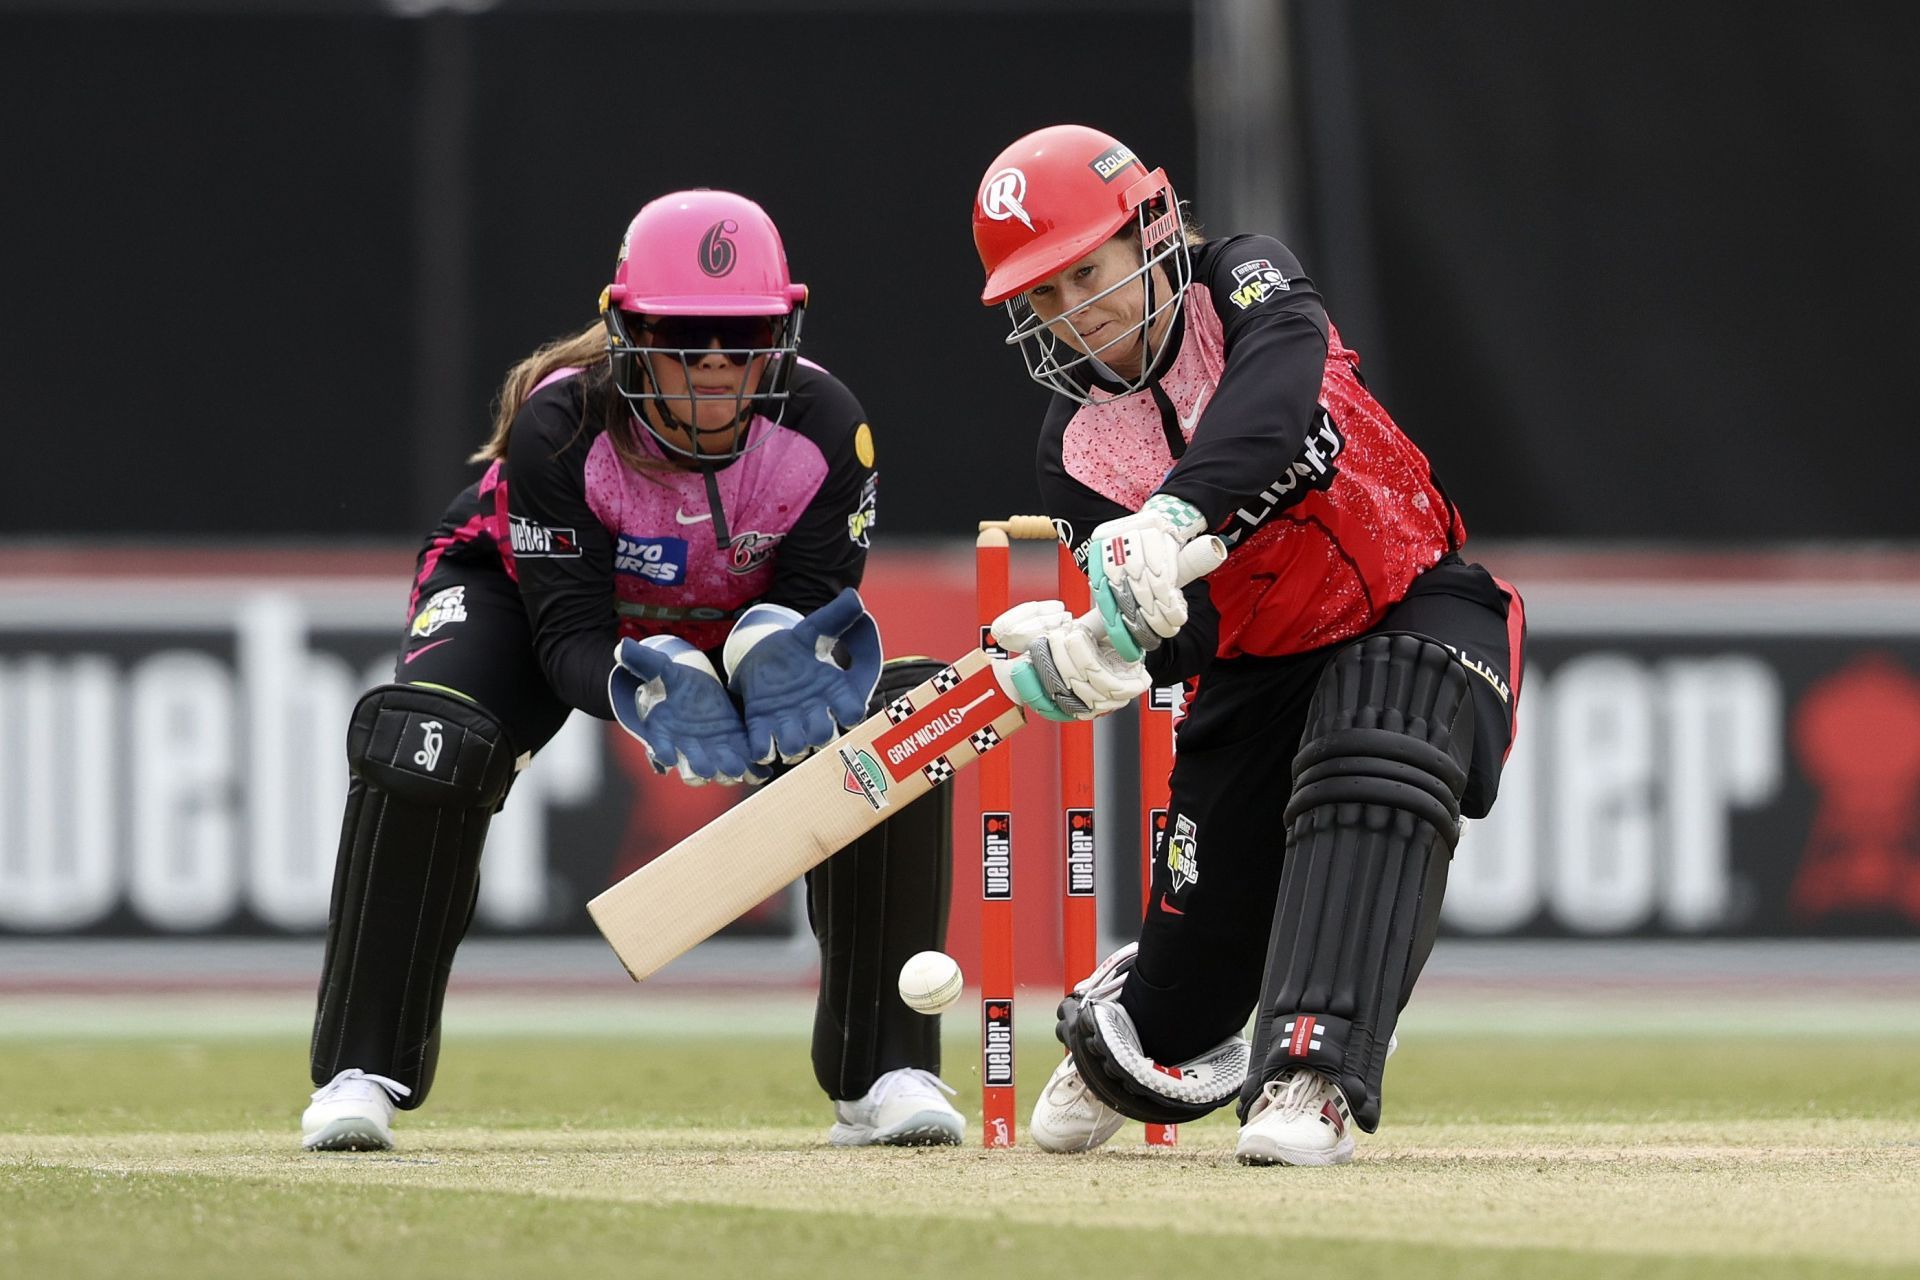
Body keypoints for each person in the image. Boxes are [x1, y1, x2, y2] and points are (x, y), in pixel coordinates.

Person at [301, 190, 964, 1152]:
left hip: (738, 614)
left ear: (784, 330)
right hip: (522, 594)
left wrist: (780, 661)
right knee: (429, 744)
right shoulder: (559, 429)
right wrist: (645, 685)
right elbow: (564, 633)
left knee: (888, 739)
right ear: (626, 331)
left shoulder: (827, 431)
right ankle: (361, 1070)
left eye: (741, 342)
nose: (713, 369)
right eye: (682, 339)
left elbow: (818, 602)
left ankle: (886, 1073)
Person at [971, 125, 1526, 1165]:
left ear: (1150, 229)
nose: (1072, 311)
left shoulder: (1244, 281)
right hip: (1256, 673)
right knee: (1183, 996)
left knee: (1377, 738)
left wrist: (1176, 517)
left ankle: (1310, 1071)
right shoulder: (1076, 445)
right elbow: (1191, 638)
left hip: (1414, 604)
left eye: (1084, 272)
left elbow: (1273, 406)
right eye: (1041, 296)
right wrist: (1106, 646)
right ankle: (1136, 1008)